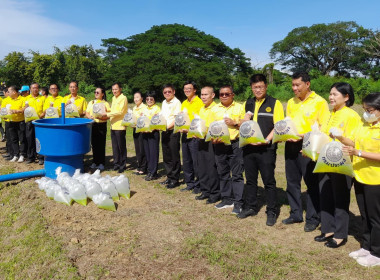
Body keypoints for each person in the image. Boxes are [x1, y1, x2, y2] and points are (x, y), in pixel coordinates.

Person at [313, 82, 362, 248]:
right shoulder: (330, 113)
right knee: (325, 193)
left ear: (346, 97)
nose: (331, 97)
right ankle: (327, 229)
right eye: (330, 94)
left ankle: (340, 234)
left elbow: (354, 142)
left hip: (342, 163)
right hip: (325, 160)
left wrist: (340, 137)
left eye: (335, 94)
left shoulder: (351, 116)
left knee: (340, 197)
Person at [282, 72, 330, 232]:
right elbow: (288, 122)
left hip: (309, 145)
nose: (294, 88)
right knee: (292, 181)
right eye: (293, 85)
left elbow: (324, 127)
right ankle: (295, 213)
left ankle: (312, 218)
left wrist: (304, 136)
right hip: (291, 145)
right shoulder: (291, 102)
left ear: (307, 84)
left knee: (311, 183)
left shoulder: (320, 102)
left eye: (297, 85)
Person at [237, 74, 284, 226]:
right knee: (250, 180)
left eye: (261, 87)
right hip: (249, 148)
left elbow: (278, 126)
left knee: (268, 181)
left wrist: (266, 140)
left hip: (266, 149)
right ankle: (250, 206)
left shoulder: (274, 103)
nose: (258, 90)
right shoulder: (248, 103)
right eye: (255, 87)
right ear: (251, 88)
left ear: (266, 86)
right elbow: (243, 124)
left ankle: (271, 211)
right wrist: (245, 119)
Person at [341, 92, 380, 267]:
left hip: (375, 179)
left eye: (369, 110)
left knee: (376, 217)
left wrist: (358, 153)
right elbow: (354, 143)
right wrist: (340, 138)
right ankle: (366, 246)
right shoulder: (364, 124)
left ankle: (377, 252)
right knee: (364, 215)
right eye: (364, 109)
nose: (366, 113)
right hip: (360, 176)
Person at [210, 85, 245, 215]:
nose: (224, 96)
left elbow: (246, 124)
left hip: (235, 144)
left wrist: (234, 123)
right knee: (222, 172)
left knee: (236, 174)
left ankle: (238, 202)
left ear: (233, 95)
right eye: (222, 94)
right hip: (219, 145)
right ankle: (226, 199)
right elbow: (211, 127)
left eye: (227, 94)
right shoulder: (214, 109)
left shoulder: (240, 107)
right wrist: (213, 139)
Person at [195, 86, 220, 204]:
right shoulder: (202, 109)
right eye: (202, 94)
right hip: (201, 139)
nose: (203, 97)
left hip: (211, 140)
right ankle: (205, 190)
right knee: (202, 165)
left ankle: (214, 193)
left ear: (213, 95)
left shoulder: (216, 108)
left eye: (206, 94)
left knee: (211, 167)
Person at [180, 81, 204, 193]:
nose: (187, 90)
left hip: (194, 136)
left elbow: (200, 121)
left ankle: (198, 185)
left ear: (195, 90)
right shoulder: (184, 102)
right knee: (186, 160)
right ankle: (189, 183)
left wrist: (189, 129)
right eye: (185, 89)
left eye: (189, 88)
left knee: (196, 162)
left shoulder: (199, 102)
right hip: (184, 135)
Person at [102, 83, 128, 173]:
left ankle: (122, 165)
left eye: (116, 89)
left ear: (120, 89)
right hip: (113, 125)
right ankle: (116, 164)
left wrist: (107, 114)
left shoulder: (123, 98)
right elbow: (113, 110)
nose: (114, 91)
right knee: (115, 146)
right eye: (113, 89)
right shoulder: (113, 98)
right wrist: (106, 110)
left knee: (121, 147)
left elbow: (120, 112)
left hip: (120, 125)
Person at [160, 84, 182, 189]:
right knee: (166, 155)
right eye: (165, 92)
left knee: (174, 156)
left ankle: (175, 179)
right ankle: (169, 176)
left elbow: (177, 118)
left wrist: (168, 127)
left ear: (174, 92)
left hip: (173, 131)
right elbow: (162, 116)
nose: (167, 93)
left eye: (169, 91)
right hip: (164, 131)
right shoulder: (164, 102)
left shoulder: (177, 102)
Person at [86, 87, 110, 171]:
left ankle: (101, 163)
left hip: (101, 124)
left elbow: (108, 114)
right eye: (95, 92)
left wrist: (102, 117)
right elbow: (87, 112)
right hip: (93, 124)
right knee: (94, 144)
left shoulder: (105, 103)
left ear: (102, 94)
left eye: (98, 92)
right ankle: (95, 162)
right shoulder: (91, 102)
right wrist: (90, 117)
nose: (96, 93)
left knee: (101, 144)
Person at [142, 91, 161, 181]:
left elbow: (158, 121)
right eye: (147, 99)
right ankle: (149, 171)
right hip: (145, 132)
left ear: (154, 100)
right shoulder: (144, 108)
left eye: (151, 99)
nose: (149, 101)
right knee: (147, 152)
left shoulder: (157, 109)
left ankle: (153, 172)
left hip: (153, 132)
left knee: (153, 153)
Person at [24, 82, 44, 164]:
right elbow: (25, 109)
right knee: (30, 139)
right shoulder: (26, 98)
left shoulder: (43, 98)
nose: (35, 89)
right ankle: (31, 157)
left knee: (40, 139)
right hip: (30, 122)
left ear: (38, 89)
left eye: (36, 88)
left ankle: (41, 157)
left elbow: (45, 109)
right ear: (30, 89)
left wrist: (41, 116)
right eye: (33, 88)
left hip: (40, 121)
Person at [7, 86, 26, 162]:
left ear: (14, 92)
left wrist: (16, 111)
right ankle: (16, 155)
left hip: (20, 121)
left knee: (22, 139)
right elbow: (4, 109)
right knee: (14, 139)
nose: (8, 93)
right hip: (11, 122)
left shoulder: (22, 99)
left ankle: (22, 155)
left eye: (9, 91)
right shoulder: (9, 100)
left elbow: (24, 108)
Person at [132, 91, 147, 175]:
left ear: (142, 98)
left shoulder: (144, 107)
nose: (136, 99)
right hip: (135, 129)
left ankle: (144, 168)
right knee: (137, 149)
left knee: (142, 149)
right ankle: (139, 166)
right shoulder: (134, 108)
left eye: (137, 97)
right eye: (134, 97)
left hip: (142, 130)